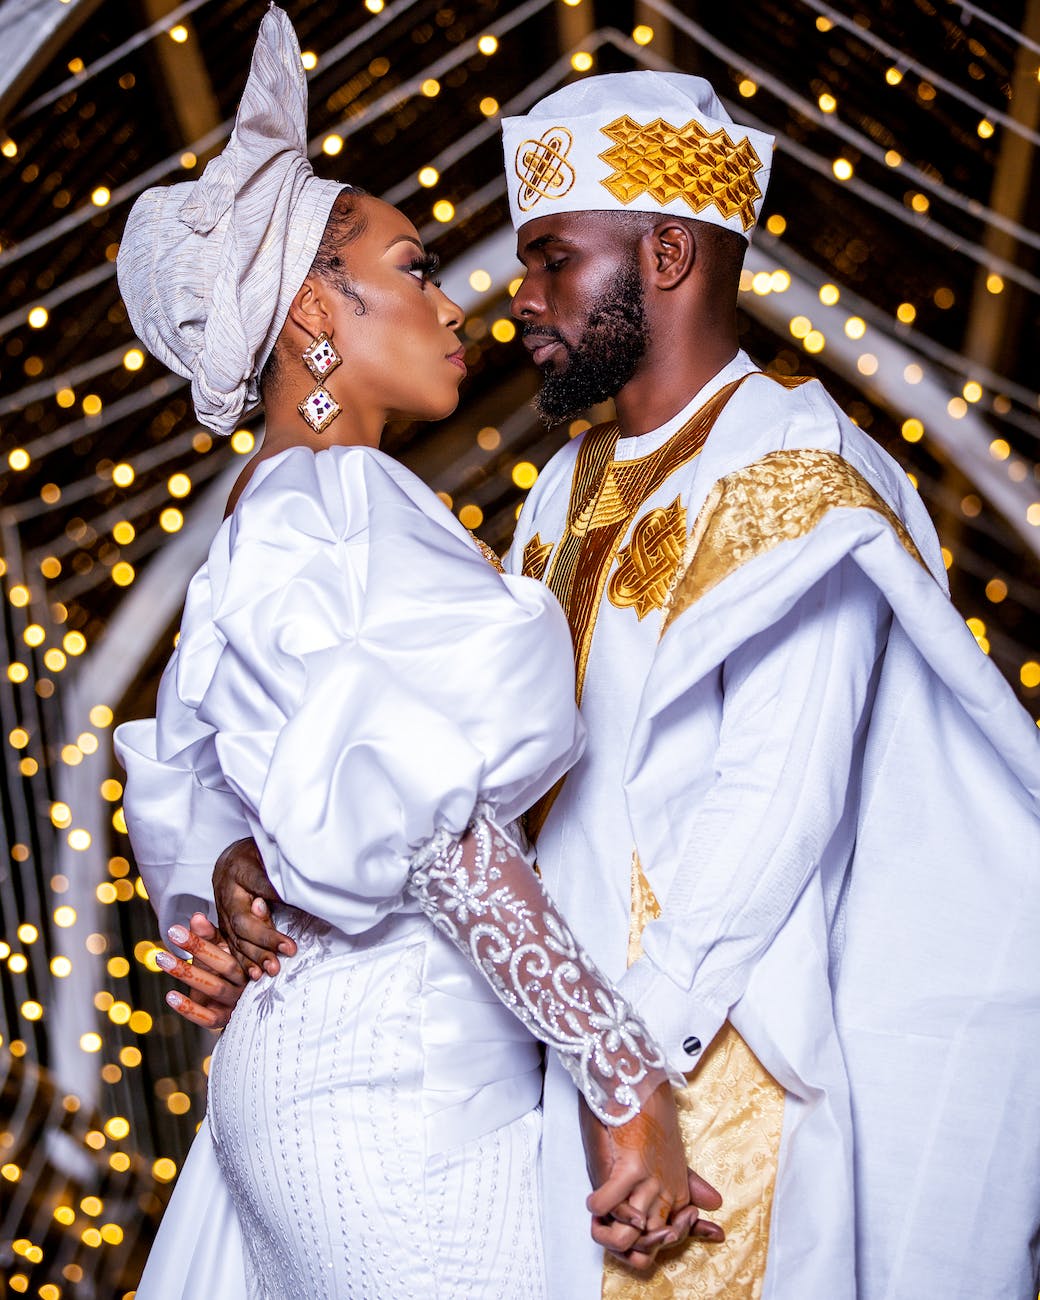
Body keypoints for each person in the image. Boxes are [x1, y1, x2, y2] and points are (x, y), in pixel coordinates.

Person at [200, 69, 1040, 1300]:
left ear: (662, 253)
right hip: (573, 1068)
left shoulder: (797, 465)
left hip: (712, 1076)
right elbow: (447, 756)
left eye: (549, 259)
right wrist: (258, 854)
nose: (518, 299)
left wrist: (631, 1059)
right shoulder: (560, 490)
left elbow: (773, 800)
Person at [113, 16, 726, 1300]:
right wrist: (619, 1072)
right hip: (406, 1087)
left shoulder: (256, 526)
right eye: (412, 265)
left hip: (303, 1083)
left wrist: (236, 867)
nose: (456, 302)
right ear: (315, 311)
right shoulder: (343, 502)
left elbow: (199, 789)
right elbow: (429, 828)